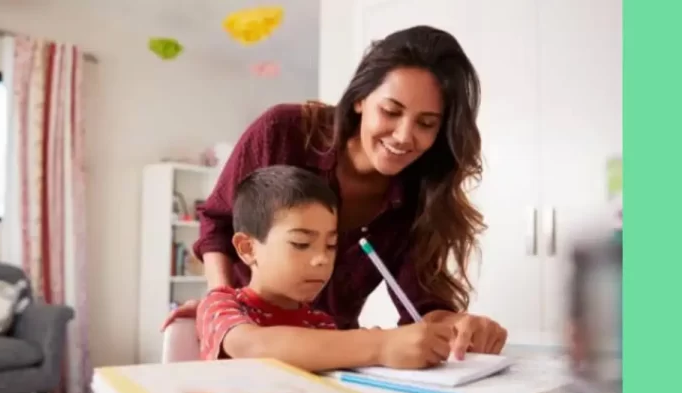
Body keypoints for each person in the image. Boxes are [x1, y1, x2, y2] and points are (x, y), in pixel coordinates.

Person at [163, 25, 508, 360]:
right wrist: (221, 300)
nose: (404, 136)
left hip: (335, 359)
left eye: (426, 123)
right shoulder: (282, 131)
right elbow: (218, 224)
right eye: (390, 111)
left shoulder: (421, 196)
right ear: (360, 98)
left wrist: (457, 326)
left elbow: (421, 308)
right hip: (253, 342)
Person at [197, 165, 454, 371]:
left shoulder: (320, 324)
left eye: (331, 245)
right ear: (248, 248)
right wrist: (380, 345)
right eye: (301, 243)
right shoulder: (221, 305)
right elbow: (254, 346)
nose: (322, 259)